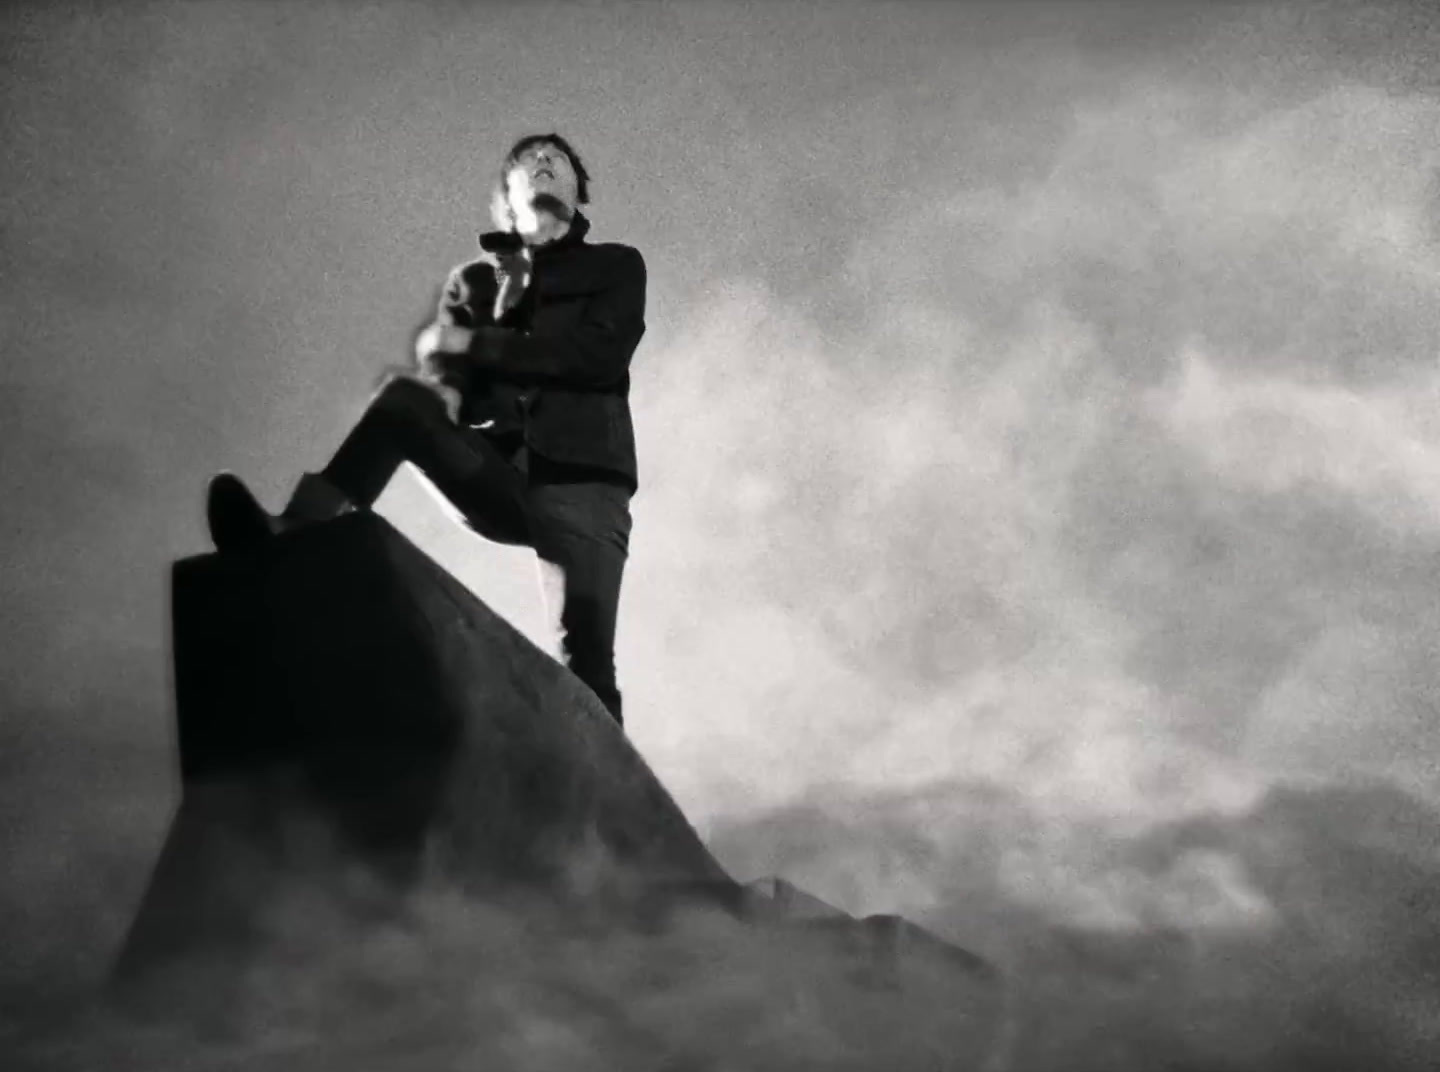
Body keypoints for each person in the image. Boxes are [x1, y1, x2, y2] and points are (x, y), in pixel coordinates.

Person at [207, 132, 647, 726]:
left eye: (558, 161)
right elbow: (454, 394)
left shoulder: (616, 266)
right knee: (403, 402)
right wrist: (449, 371)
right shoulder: (474, 282)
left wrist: (477, 343)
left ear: (577, 193)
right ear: (508, 196)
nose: (543, 162)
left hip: (584, 486)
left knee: (586, 669)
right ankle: (291, 534)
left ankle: (613, 807)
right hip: (496, 477)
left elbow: (596, 357)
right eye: (528, 160)